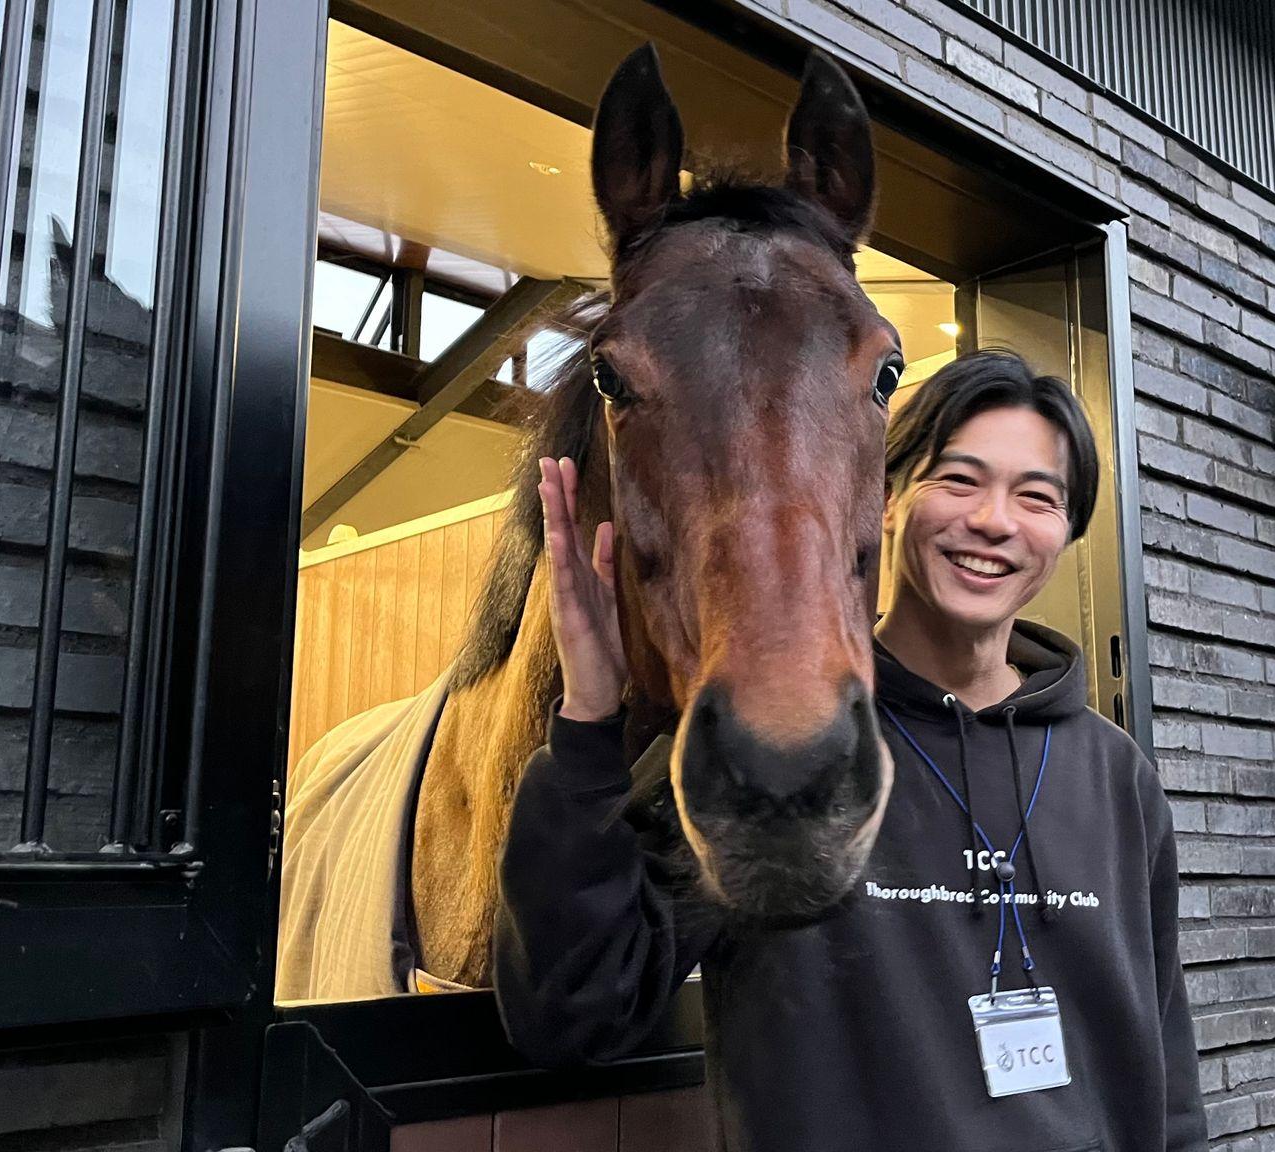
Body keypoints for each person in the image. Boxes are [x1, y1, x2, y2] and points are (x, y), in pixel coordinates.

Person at [494, 349, 1207, 1152]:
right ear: (887, 499)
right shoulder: (780, 743)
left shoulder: (1116, 776)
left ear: (1067, 532)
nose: (994, 521)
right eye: (960, 481)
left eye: (1036, 498)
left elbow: (1165, 1072)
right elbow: (574, 1010)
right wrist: (589, 720)